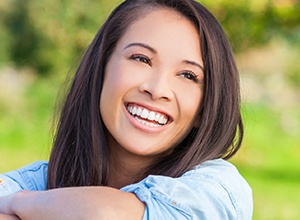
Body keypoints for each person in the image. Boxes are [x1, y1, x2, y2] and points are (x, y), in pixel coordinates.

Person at [0, 0, 253, 219]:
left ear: (204, 108)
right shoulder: (30, 183)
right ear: (101, 68)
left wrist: (19, 204)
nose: (157, 89)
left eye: (188, 75)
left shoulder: (217, 191)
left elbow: (105, 215)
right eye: (141, 59)